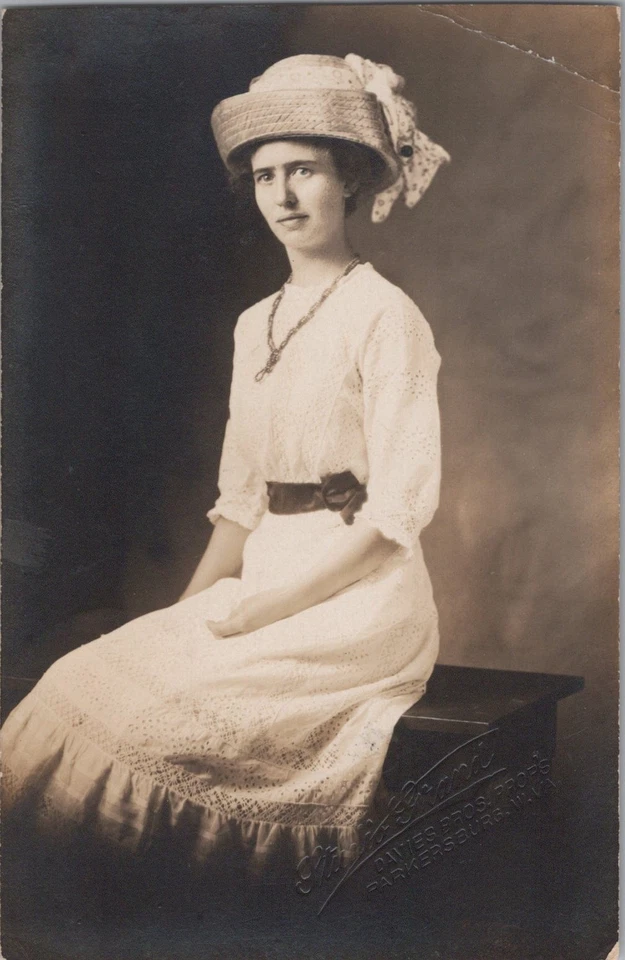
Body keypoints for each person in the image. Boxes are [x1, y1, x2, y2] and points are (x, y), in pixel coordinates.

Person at [2, 53, 450, 883]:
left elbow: (396, 516)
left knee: (169, 724)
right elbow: (240, 505)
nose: (282, 196)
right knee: (75, 684)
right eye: (265, 175)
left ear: (348, 179)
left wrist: (265, 609)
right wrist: (184, 614)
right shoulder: (254, 324)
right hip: (260, 585)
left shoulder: (386, 317)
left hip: (357, 601)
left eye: (304, 171)